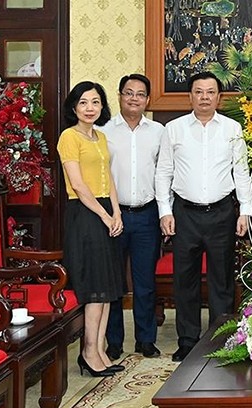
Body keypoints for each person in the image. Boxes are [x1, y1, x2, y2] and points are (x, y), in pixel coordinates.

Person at [155, 71, 252, 362]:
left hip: (222, 212)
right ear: (190, 96)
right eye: (199, 92)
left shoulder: (232, 129)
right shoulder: (173, 129)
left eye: (211, 92)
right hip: (185, 213)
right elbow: (164, 172)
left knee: (221, 280)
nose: (205, 97)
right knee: (184, 280)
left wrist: (244, 210)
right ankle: (187, 341)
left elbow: (242, 172)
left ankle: (220, 338)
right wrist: (165, 211)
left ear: (219, 97)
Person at [58, 81, 125, 377]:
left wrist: (117, 211)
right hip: (84, 215)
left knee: (108, 287)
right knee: (94, 288)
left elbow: (107, 176)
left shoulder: (100, 137)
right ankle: (88, 352)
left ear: (102, 106)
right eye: (83, 102)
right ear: (74, 107)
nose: (89, 108)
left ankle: (99, 350)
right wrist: (104, 215)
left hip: (105, 212)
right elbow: (78, 185)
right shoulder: (68, 137)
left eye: (95, 102)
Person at [102, 74, 164, 360]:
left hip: (146, 215)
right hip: (114, 216)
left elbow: (165, 173)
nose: (134, 99)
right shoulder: (103, 131)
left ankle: (146, 339)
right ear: (119, 95)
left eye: (140, 94)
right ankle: (114, 341)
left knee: (145, 282)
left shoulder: (158, 131)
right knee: (113, 282)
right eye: (128, 93)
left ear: (147, 100)